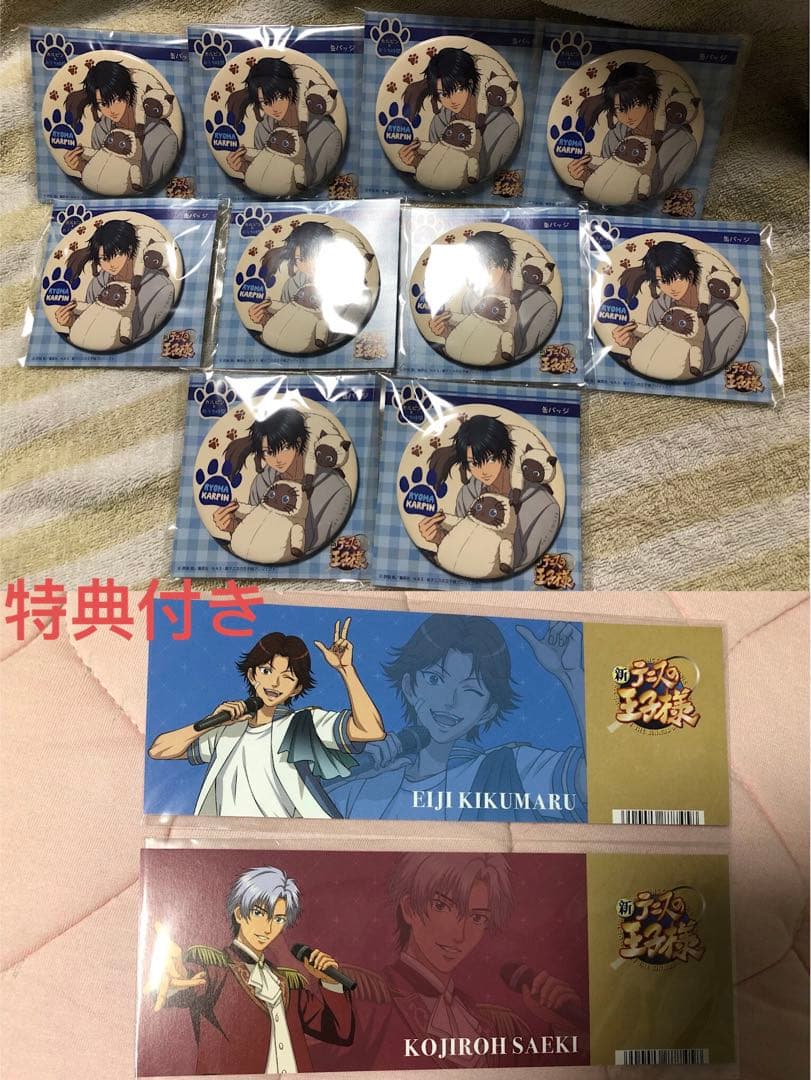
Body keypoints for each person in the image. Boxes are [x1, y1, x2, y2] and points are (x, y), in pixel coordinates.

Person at [313, 853, 582, 1070]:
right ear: (410, 908)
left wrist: (564, 1028)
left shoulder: (500, 1026)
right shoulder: (362, 996)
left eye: (477, 917)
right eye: (442, 907)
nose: (460, 935)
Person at [325, 615, 585, 822]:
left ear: (488, 710)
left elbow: (595, 785)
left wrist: (573, 677)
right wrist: (348, 768)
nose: (450, 701)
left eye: (471, 690)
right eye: (435, 679)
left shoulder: (509, 769)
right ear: (410, 687)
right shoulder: (365, 786)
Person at [147, 619, 385, 817]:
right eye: (267, 671)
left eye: (287, 677)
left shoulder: (303, 723)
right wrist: (209, 722)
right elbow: (158, 750)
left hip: (288, 846)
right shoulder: (228, 730)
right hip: (226, 843)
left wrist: (346, 670)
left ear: (296, 689)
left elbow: (371, 730)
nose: (274, 683)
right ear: (253, 675)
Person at [148, 865, 354, 1074]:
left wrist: (331, 982)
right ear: (239, 914)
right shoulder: (215, 969)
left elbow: (341, 1032)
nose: (268, 927)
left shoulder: (288, 983)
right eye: (259, 913)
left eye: (278, 919)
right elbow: (188, 982)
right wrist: (173, 977)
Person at [417, 415, 561, 571]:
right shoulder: (468, 492)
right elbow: (465, 547)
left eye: (490, 459)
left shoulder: (544, 507)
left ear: (504, 454)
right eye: (473, 463)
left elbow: (525, 568)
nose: (482, 471)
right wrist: (439, 538)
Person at [212, 409, 353, 557]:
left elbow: (318, 551)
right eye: (268, 452)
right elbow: (256, 530)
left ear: (299, 442)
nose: (277, 459)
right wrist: (233, 526)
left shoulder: (337, 490)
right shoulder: (263, 480)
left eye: (284, 448)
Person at [611, 240, 746, 376]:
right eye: (663, 281)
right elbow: (655, 349)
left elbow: (714, 374)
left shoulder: (730, 320)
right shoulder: (658, 306)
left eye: (677, 278)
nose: (671, 287)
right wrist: (631, 343)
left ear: (691, 274)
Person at [567, 61, 697, 199]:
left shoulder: (683, 143)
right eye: (620, 109)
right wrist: (585, 176)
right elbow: (608, 182)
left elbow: (659, 193)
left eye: (634, 105)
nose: (628, 116)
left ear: (650, 99)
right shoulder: (615, 135)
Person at [427, 231, 558, 359]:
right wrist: (447, 333)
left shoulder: (543, 305)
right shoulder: (472, 297)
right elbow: (473, 344)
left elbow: (527, 358)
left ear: (505, 264)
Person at [399, 48, 519, 180]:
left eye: (457, 89)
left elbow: (485, 177)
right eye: (443, 94)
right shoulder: (439, 121)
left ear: (470, 83)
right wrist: (416, 161)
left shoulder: (506, 127)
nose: (451, 100)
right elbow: (439, 165)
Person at [225, 57, 342, 189]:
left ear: (290, 92)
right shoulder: (263, 129)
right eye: (265, 102)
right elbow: (268, 175)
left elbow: (311, 184)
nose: (274, 108)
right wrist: (244, 167)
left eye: (279, 98)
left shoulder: (328, 135)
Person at [63, 60, 178, 189]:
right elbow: (106, 178)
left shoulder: (165, 138)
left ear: (127, 95)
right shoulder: (101, 129)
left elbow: (151, 187)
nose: (111, 110)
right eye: (102, 104)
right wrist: (81, 166)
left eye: (115, 100)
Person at [55, 219, 174, 344]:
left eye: (116, 254)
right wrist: (71, 322)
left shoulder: (161, 288)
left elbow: (147, 340)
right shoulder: (98, 282)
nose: (110, 264)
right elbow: (90, 324)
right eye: (103, 258)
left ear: (130, 249)